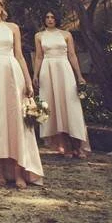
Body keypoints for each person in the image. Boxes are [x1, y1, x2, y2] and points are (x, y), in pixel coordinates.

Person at [0, 0, 43, 188]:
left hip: (12, 74)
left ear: (2, 7)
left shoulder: (13, 27)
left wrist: (29, 82)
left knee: (15, 123)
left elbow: (20, 56)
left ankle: (19, 172)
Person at [33, 10, 91, 158]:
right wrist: (35, 74)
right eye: (47, 17)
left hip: (64, 70)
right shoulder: (39, 36)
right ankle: (64, 146)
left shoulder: (66, 35)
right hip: (48, 70)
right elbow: (39, 56)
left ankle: (78, 145)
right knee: (53, 105)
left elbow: (72, 55)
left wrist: (79, 76)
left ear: (57, 19)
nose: (50, 19)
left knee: (70, 105)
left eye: (52, 17)